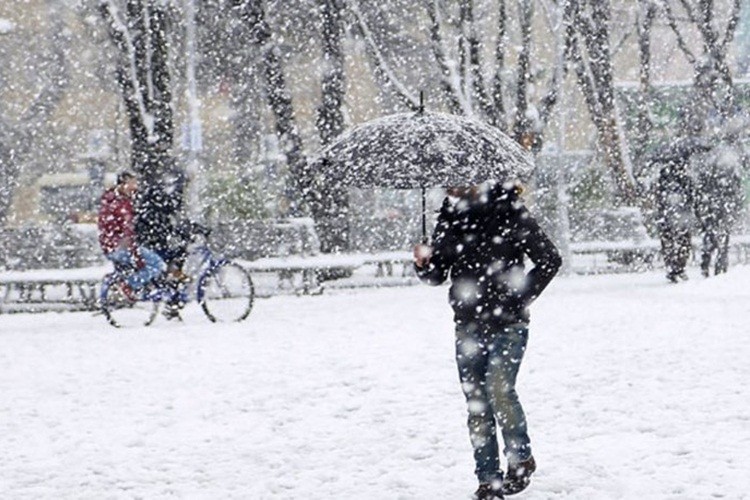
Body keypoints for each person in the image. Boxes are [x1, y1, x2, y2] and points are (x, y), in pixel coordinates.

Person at [413, 181, 561, 500]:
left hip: (509, 323)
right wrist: (423, 263)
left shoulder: (509, 210)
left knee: (498, 389)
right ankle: (488, 479)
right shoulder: (450, 217)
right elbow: (437, 275)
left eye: (457, 177)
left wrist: (516, 300)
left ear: (476, 178)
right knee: (476, 402)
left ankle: (520, 458)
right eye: (447, 178)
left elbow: (549, 259)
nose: (450, 184)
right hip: (468, 324)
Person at [98, 171, 165, 298]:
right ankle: (129, 285)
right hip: (119, 248)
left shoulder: (111, 200)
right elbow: (126, 234)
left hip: (110, 247)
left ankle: (131, 285)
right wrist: (136, 256)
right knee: (157, 264)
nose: (135, 187)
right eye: (132, 183)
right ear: (122, 185)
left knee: (149, 261)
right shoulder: (121, 205)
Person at [693, 148, 744, 277]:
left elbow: (700, 193)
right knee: (719, 238)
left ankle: (712, 265)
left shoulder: (710, 174)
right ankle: (718, 265)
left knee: (713, 238)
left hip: (714, 210)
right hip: (718, 210)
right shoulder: (726, 174)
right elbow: (736, 194)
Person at [654, 158, 695, 283]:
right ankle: (679, 267)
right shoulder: (686, 180)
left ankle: (672, 267)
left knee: (669, 244)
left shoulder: (663, 179)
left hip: (667, 218)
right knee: (682, 242)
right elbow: (691, 198)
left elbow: (659, 199)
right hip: (681, 217)